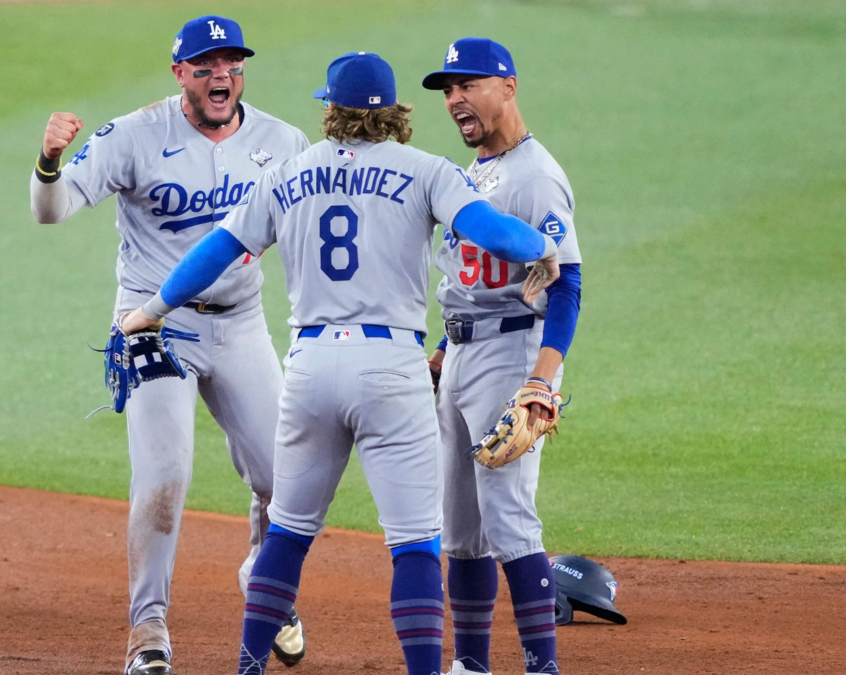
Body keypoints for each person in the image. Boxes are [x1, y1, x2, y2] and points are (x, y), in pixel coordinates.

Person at [117, 51, 560, 675]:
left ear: (331, 109)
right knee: (414, 546)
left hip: (311, 366)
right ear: (394, 111)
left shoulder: (288, 173)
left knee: (288, 535)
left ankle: (247, 667)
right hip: (391, 367)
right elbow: (493, 230)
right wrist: (545, 248)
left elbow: (220, 247)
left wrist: (154, 306)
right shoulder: (428, 169)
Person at [28, 15, 309, 675]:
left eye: (233, 63)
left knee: (285, 480)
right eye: (207, 65)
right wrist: (47, 162)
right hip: (153, 327)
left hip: (240, 322)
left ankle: (263, 577)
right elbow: (53, 209)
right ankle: (147, 630)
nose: (222, 76)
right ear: (179, 72)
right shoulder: (135, 135)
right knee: (165, 474)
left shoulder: (282, 140)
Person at [421, 38, 583, 675]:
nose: (455, 99)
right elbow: (467, 276)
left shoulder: (535, 175)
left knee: (508, 518)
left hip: (514, 352)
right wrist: (442, 348)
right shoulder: (472, 173)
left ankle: (542, 667)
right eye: (448, 89)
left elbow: (566, 285)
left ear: (508, 87)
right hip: (462, 354)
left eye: (469, 84)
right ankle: (470, 665)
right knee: (460, 529)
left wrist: (540, 381)